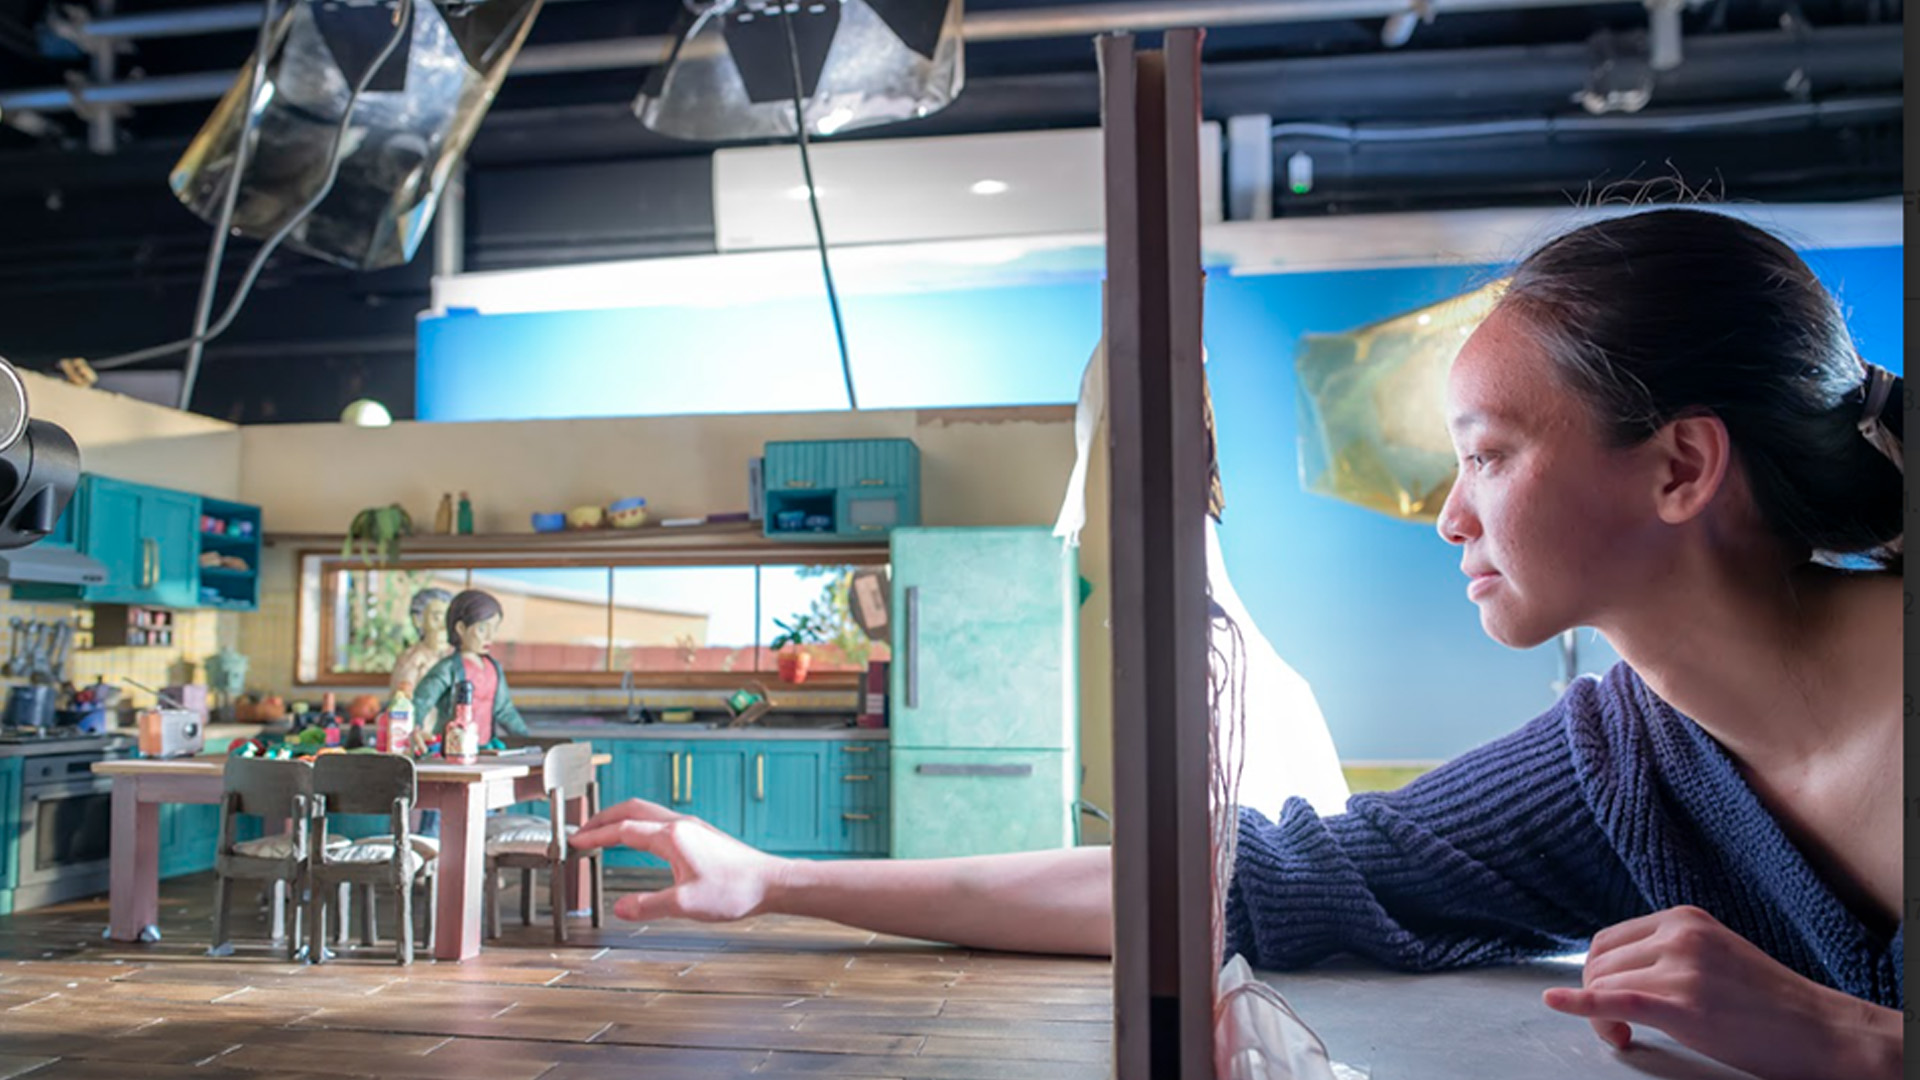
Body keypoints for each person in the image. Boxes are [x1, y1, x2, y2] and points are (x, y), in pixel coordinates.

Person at [570, 208, 1903, 1080]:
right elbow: (1227, 885)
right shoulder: (1625, 761)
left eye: (1489, 456)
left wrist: (1849, 1040)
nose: (1449, 516)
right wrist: (785, 880)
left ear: (1679, 465)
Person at [410, 588, 532, 754]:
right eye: (482, 629)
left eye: (494, 628)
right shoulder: (448, 668)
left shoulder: (493, 668)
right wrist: (414, 729)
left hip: (486, 748)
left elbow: (505, 710)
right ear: (460, 628)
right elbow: (421, 701)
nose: (490, 636)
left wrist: (528, 740)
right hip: (453, 749)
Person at [389, 586, 454, 696]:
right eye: (436, 619)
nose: (443, 627)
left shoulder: (454, 657)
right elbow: (402, 701)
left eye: (447, 619)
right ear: (418, 620)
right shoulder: (411, 660)